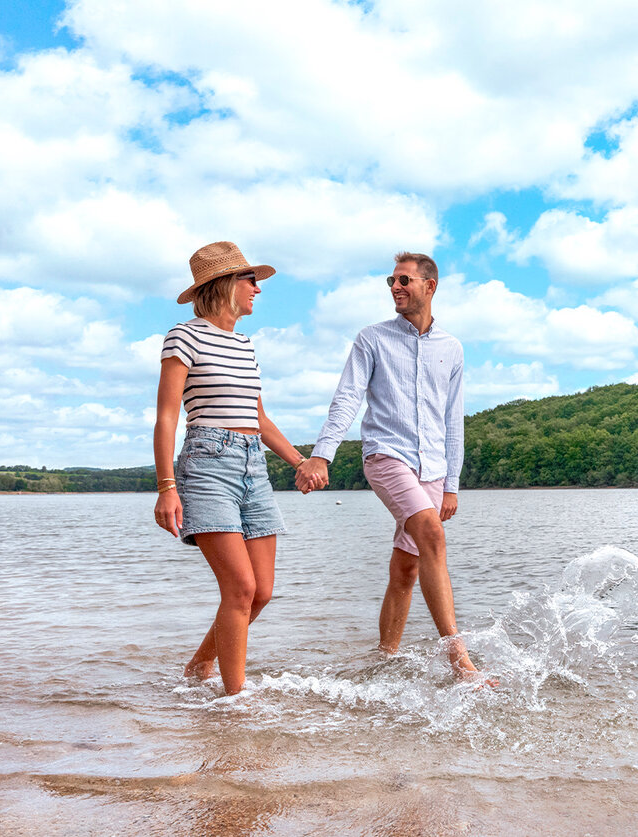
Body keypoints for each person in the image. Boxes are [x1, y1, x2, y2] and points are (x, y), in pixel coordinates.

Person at [295, 252, 482, 678]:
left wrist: (451, 483)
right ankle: (460, 660)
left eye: (404, 280)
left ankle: (385, 659)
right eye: (391, 281)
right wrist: (322, 454)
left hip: (433, 466)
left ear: (429, 286)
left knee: (408, 566)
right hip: (386, 455)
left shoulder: (451, 348)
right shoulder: (372, 339)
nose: (395, 288)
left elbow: (453, 419)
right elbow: (347, 397)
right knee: (431, 535)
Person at [152, 241, 318, 695]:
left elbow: (258, 417)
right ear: (225, 284)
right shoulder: (183, 336)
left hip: (253, 466)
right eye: (251, 281)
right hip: (207, 464)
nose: (257, 290)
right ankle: (235, 703)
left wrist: (300, 461)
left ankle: (200, 664)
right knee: (240, 588)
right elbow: (167, 415)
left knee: (260, 592)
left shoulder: (246, 345)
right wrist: (167, 486)